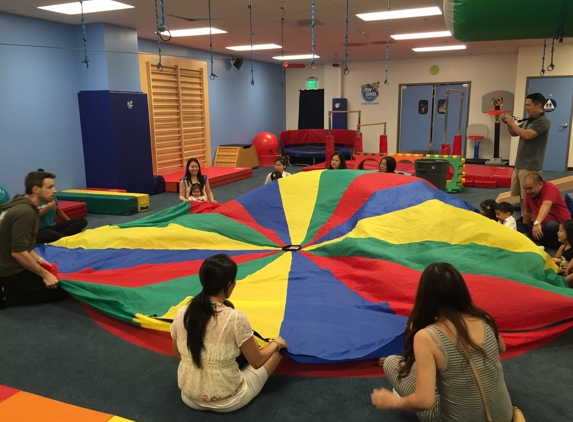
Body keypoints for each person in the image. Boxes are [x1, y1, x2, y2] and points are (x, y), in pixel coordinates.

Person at [372, 263, 513, 422]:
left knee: (391, 363)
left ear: (425, 297)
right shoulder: (483, 318)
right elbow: (501, 348)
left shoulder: (427, 337)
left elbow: (424, 402)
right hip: (504, 416)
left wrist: (394, 402)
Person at [171, 254, 288, 413]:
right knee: (276, 352)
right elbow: (257, 361)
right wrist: (276, 343)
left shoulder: (182, 313)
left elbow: (176, 352)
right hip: (228, 401)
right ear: (229, 285)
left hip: (189, 397)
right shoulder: (235, 318)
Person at [0, 171, 67, 308]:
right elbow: (18, 252)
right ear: (36, 189)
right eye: (49, 187)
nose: (54, 190)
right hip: (7, 269)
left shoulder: (19, 203)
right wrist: (45, 275)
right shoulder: (25, 212)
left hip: (6, 261)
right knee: (59, 292)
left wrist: (43, 263)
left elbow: (25, 247)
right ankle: (6, 294)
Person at [503, 93, 551, 216]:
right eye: (526, 105)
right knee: (522, 196)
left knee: (529, 197)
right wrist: (509, 123)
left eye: (529, 105)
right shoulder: (529, 120)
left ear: (539, 105)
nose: (526, 108)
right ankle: (524, 217)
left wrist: (513, 123)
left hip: (530, 165)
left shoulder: (543, 121)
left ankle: (529, 222)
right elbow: (514, 133)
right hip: (520, 163)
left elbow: (527, 135)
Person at [517, 173, 571, 250]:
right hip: (541, 230)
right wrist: (525, 229)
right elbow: (527, 211)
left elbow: (546, 205)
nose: (527, 191)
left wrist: (537, 223)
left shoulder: (551, 189)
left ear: (540, 184)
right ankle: (536, 244)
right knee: (517, 224)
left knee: (551, 225)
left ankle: (539, 244)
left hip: (559, 232)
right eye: (525, 189)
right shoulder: (529, 193)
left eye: (530, 188)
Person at [35, 169, 87, 244]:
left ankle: (62, 235)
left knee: (82, 221)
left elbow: (59, 212)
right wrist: (48, 207)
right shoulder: (34, 198)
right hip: (41, 230)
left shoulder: (51, 196)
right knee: (51, 235)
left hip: (54, 227)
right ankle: (62, 236)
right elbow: (33, 216)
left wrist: (70, 223)